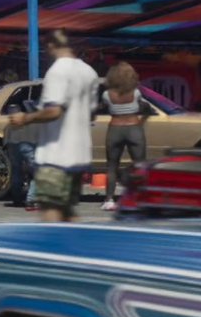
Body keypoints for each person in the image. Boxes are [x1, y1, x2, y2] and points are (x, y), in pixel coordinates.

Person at [8, 30, 98, 222]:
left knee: (51, 211)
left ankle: (54, 241)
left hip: (56, 155)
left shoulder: (57, 71)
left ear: (50, 46)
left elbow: (54, 111)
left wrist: (26, 118)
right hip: (79, 155)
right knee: (68, 212)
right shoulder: (89, 72)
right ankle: (75, 241)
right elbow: (92, 113)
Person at [98, 62, 150, 212]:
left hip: (115, 128)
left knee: (112, 166)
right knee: (140, 165)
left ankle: (109, 200)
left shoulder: (106, 94)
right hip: (134, 128)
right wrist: (143, 117)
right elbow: (145, 108)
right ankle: (140, 199)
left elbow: (103, 107)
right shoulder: (136, 93)